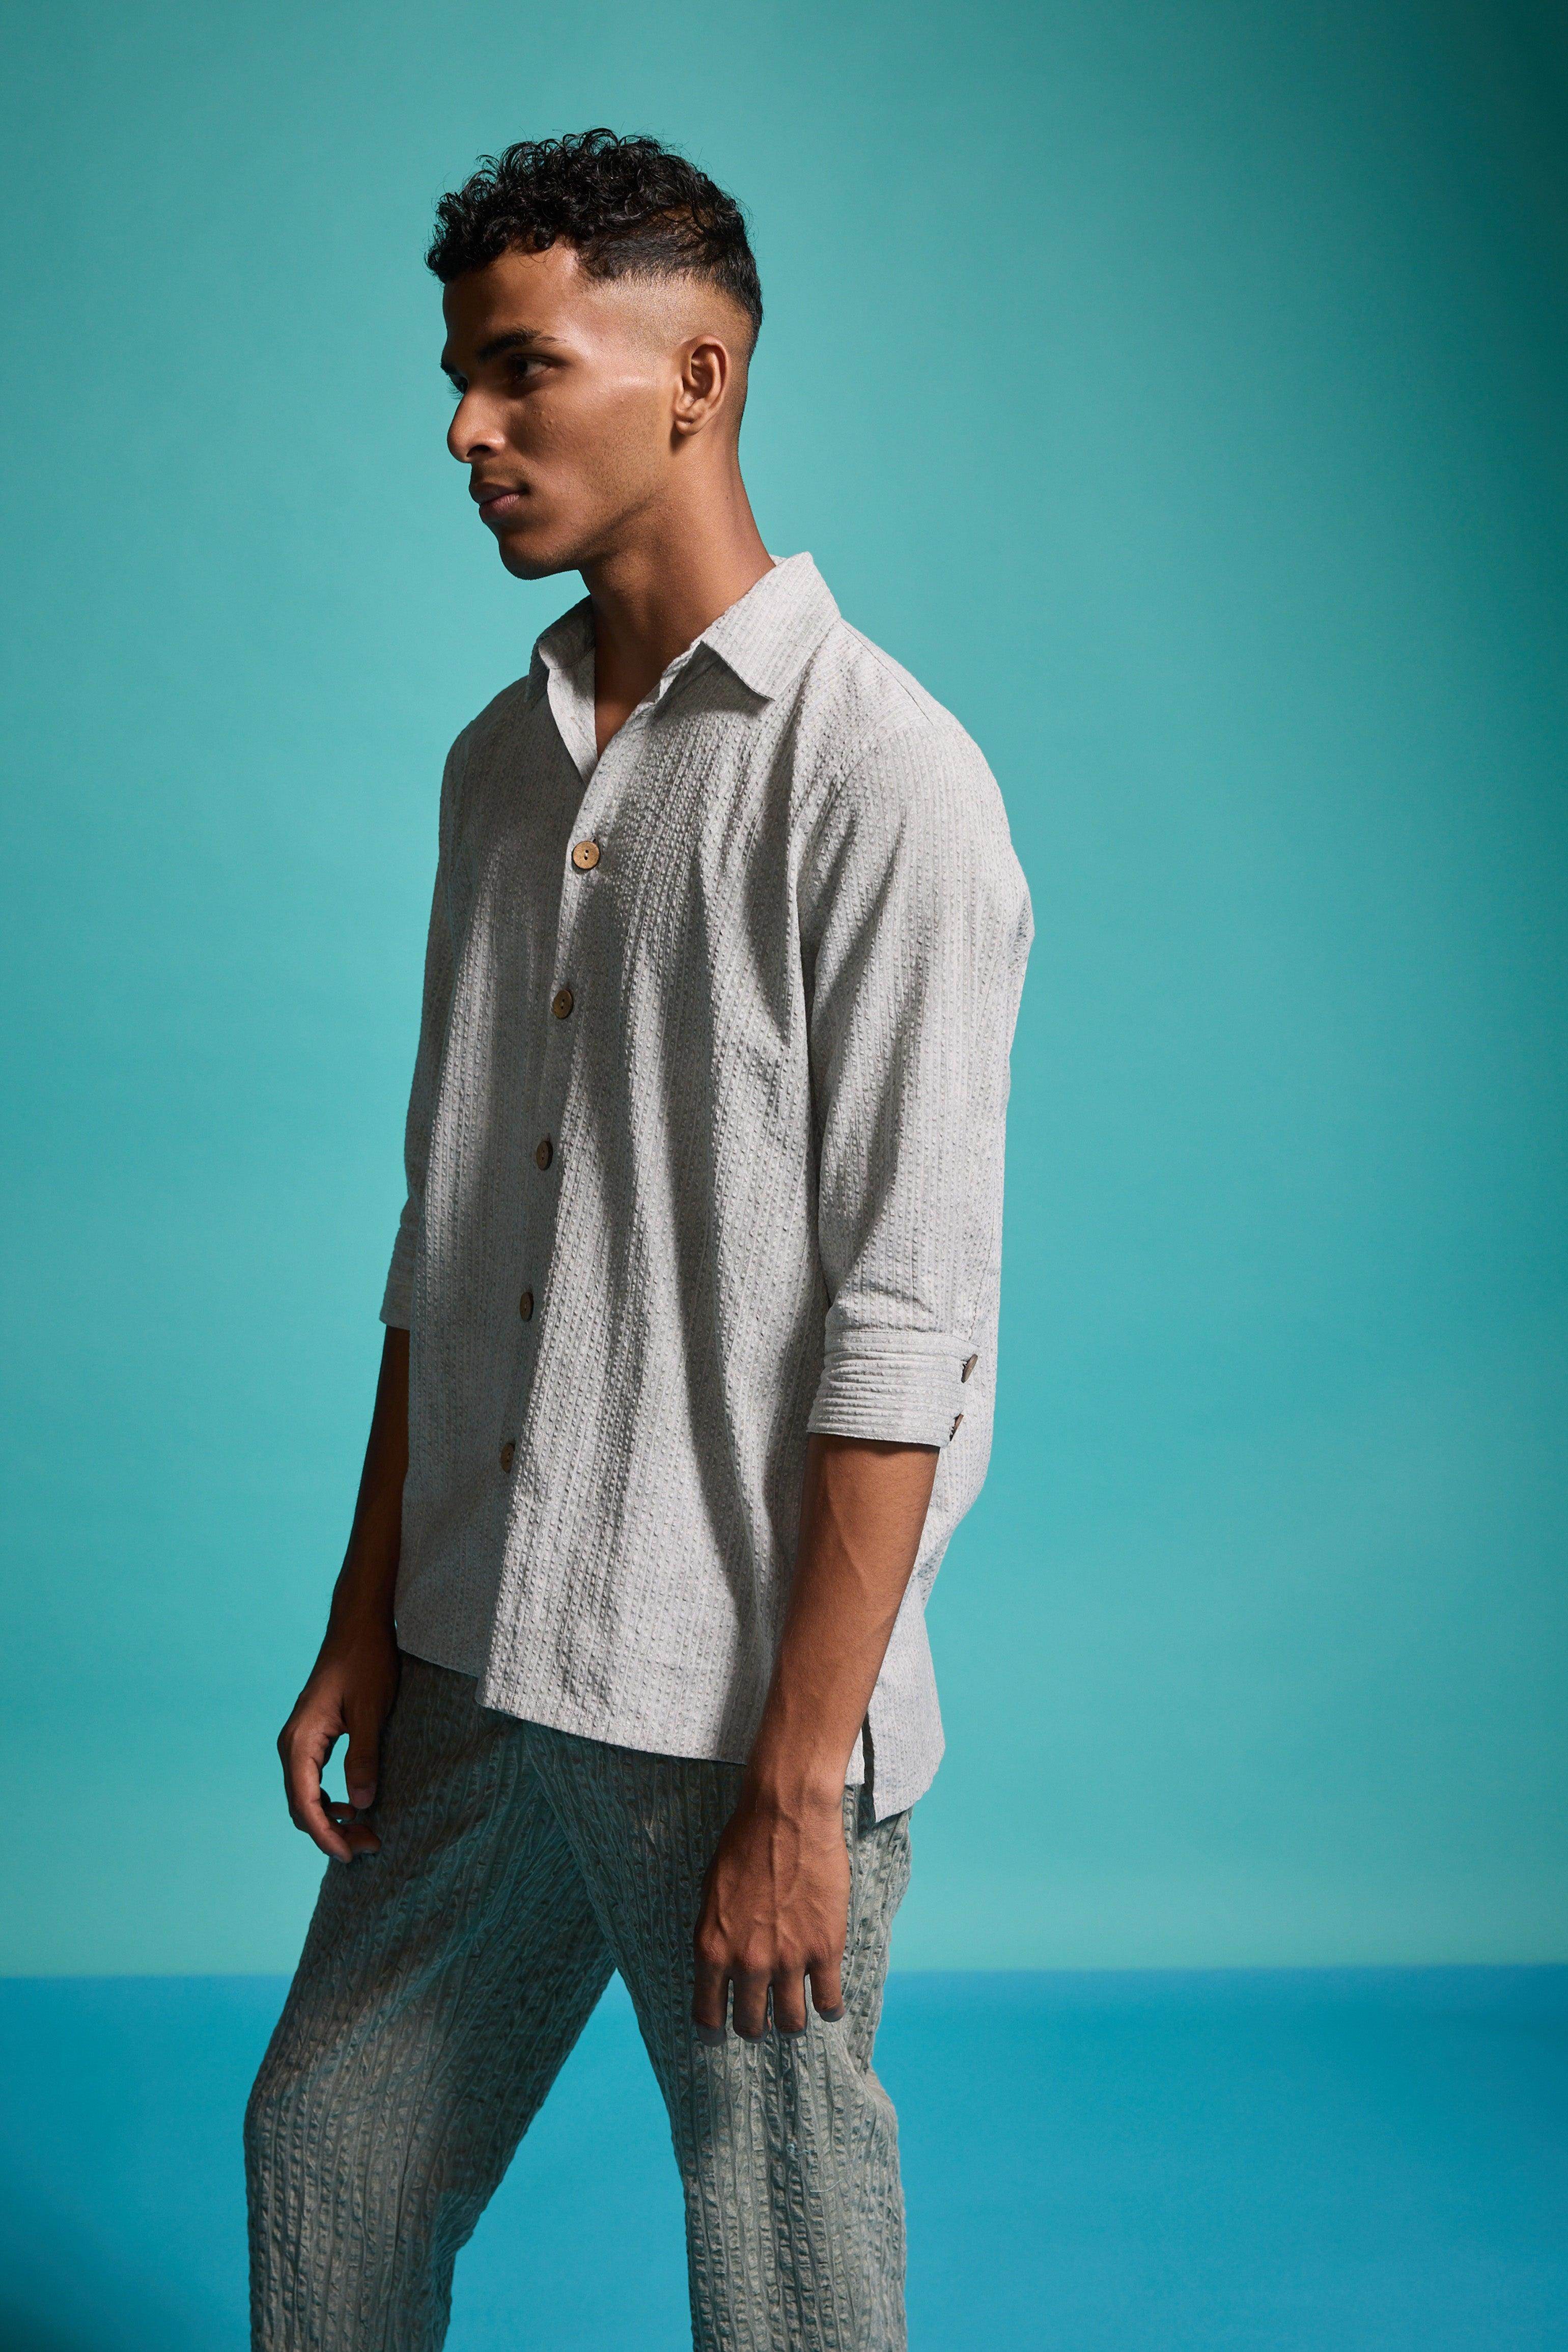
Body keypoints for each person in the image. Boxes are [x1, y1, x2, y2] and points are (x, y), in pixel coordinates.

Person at [243, 128, 1033, 2352]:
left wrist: (800, 1778)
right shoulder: (496, 771)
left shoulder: (884, 782)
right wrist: (367, 1611)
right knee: (329, 2143)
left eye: (521, 368)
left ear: (696, 378)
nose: (464, 430)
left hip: (731, 1694)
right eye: (457, 376)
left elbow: (907, 1321)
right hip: (479, 1644)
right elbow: (448, 1225)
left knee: (780, 2268)